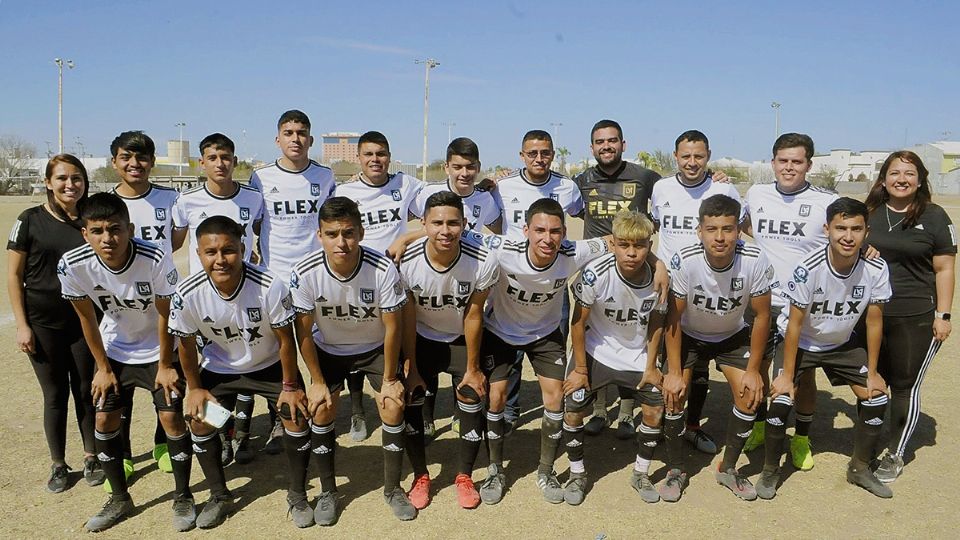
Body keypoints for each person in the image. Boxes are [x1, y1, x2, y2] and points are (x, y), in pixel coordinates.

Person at [57, 193, 192, 531]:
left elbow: (166, 315)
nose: (108, 239)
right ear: (84, 233)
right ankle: (120, 498)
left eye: (115, 229)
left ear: (130, 229)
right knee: (103, 420)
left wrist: (165, 363)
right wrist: (102, 368)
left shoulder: (155, 257)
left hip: (159, 348)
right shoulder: (72, 264)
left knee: (172, 418)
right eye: (98, 231)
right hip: (115, 349)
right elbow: (87, 319)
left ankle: (183, 495)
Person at [169, 216, 311, 528]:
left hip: (269, 365)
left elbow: (287, 342)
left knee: (296, 414)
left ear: (243, 249)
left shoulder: (269, 285)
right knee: (199, 417)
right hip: (220, 369)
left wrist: (290, 386)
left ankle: (298, 494)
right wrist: (194, 388)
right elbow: (185, 345)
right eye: (211, 252)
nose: (220, 260)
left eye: (229, 250)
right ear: (198, 253)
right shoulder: (187, 292)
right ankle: (220, 495)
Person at [478, 198, 621, 504]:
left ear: (564, 232)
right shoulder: (503, 248)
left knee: (556, 398)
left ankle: (545, 470)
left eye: (555, 231)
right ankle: (494, 469)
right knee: (496, 396)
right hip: (501, 333)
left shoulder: (574, 251)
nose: (547, 238)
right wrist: (406, 239)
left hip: (545, 334)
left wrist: (657, 266)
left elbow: (617, 241)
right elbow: (458, 234)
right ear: (526, 230)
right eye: (540, 230)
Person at [290, 196, 414, 522]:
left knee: (392, 404)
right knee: (320, 408)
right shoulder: (304, 272)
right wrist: (316, 382)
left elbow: (393, 327)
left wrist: (389, 379)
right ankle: (329, 491)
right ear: (319, 235)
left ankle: (392, 489)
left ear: (360, 232)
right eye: (332, 234)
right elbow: (302, 332)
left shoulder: (382, 268)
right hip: (329, 350)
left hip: (373, 347)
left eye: (348, 233)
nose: (341, 242)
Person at [762, 197, 893, 499]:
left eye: (856, 229)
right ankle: (770, 472)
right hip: (802, 341)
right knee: (781, 399)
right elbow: (793, 325)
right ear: (827, 229)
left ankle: (860, 468)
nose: (848, 236)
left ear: (866, 232)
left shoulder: (875, 267)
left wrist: (872, 372)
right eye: (841, 228)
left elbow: (874, 322)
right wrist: (786, 374)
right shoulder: (808, 267)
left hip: (841, 344)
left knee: (875, 398)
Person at [662, 195, 773, 502]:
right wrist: (673, 372)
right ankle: (676, 469)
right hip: (690, 334)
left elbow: (762, 315)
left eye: (727, 229)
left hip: (731, 336)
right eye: (712, 229)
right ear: (700, 231)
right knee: (673, 395)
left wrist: (753, 370)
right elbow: (674, 316)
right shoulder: (685, 258)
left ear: (739, 230)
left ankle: (729, 467)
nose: (720, 237)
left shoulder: (755, 257)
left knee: (750, 395)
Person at [742, 133, 838, 471]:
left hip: (803, 306)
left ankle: (801, 437)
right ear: (772, 163)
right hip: (761, 302)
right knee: (759, 367)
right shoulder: (756, 194)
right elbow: (741, 224)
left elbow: (847, 236)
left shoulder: (827, 201)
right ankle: (757, 425)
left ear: (809, 165)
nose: (789, 167)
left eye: (797, 162)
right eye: (783, 161)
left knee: (801, 375)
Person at [398, 191, 500, 509]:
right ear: (424, 224)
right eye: (437, 222)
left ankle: (465, 476)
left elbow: (473, 314)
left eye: (453, 223)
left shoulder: (483, 259)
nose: (445, 230)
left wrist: (472, 367)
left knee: (471, 395)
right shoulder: (407, 262)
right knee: (411, 398)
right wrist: (411, 366)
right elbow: (407, 317)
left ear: (465, 224)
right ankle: (420, 476)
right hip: (422, 339)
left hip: (460, 339)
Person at [7, 154, 101, 493]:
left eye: (76, 178)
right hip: (43, 323)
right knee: (55, 394)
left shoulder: (92, 220)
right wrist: (22, 325)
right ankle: (59, 464)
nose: (70, 185)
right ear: (48, 182)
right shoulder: (30, 220)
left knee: (86, 390)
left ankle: (93, 456)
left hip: (85, 322)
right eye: (62, 178)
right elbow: (15, 275)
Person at [172, 132, 264, 464]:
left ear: (234, 161)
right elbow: (175, 244)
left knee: (247, 362)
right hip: (204, 300)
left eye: (225, 157)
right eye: (212, 157)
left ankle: (243, 435)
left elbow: (257, 237)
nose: (220, 163)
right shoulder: (187, 200)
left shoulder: (254, 197)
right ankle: (223, 433)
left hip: (243, 292)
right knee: (214, 369)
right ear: (202, 162)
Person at [248, 110, 336, 457]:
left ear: (310, 139)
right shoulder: (260, 177)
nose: (295, 138)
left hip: (314, 278)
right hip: (274, 279)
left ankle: (323, 407)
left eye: (301, 132)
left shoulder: (325, 176)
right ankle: (278, 418)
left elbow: (331, 222)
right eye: (288, 132)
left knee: (315, 345)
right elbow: (254, 224)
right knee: (275, 351)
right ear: (278, 140)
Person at [864, 151, 956, 482]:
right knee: (874, 379)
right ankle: (870, 441)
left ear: (920, 179)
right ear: (883, 178)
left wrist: (942, 314)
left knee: (905, 385)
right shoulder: (870, 213)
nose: (902, 179)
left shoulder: (934, 216)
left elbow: (945, 268)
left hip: (915, 314)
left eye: (910, 173)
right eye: (895, 172)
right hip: (872, 313)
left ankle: (896, 452)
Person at [562, 210, 665, 505]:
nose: (632, 253)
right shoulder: (596, 272)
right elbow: (577, 323)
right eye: (624, 245)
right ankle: (577, 473)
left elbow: (657, 323)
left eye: (639, 246)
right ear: (614, 243)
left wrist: (651, 365)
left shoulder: (660, 279)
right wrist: (580, 369)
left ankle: (640, 473)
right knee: (572, 409)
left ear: (649, 245)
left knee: (655, 410)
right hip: (597, 351)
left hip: (637, 356)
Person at [650, 130, 744, 455]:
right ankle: (663, 421)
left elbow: (740, 230)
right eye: (686, 156)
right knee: (669, 358)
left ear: (709, 156)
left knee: (700, 361)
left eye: (699, 156)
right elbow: (656, 228)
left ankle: (691, 426)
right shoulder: (661, 188)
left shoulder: (722, 187)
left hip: (710, 286)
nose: (692, 162)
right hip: (668, 287)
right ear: (675, 156)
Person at [334, 131, 425, 442]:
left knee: (393, 345)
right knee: (355, 344)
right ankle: (358, 411)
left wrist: (405, 238)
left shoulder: (406, 185)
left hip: (393, 282)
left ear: (390, 157)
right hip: (356, 279)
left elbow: (439, 210)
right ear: (359, 158)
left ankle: (416, 408)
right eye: (369, 154)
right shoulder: (344, 191)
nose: (376, 160)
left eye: (381, 154)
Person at [574, 119, 662, 439]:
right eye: (600, 142)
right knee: (596, 334)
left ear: (623, 144)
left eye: (613, 141)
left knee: (630, 334)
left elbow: (678, 190)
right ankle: (599, 410)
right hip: (595, 273)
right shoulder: (581, 179)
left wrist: (713, 176)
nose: (606, 146)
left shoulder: (644, 177)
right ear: (592, 147)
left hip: (633, 269)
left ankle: (626, 413)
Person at [496, 130, 585, 432]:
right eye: (532, 153)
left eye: (545, 152)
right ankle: (509, 411)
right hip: (512, 279)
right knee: (510, 350)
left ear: (553, 154)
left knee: (550, 345)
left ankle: (555, 410)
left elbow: (585, 215)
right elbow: (492, 224)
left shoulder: (568, 187)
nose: (538, 158)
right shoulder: (502, 186)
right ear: (521, 155)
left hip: (552, 280)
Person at [413, 137, 502, 438]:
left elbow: (498, 231)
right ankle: (426, 415)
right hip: (434, 273)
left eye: (470, 167)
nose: (464, 173)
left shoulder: (485, 199)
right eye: (458, 167)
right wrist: (404, 241)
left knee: (464, 346)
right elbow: (422, 226)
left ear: (478, 168)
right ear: (447, 166)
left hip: (467, 276)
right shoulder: (428, 193)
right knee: (426, 353)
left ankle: (457, 410)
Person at [109, 130, 179, 482]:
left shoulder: (171, 198)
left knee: (164, 382)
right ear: (115, 162)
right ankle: (120, 453)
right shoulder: (106, 204)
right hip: (119, 312)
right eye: (126, 157)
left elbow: (177, 239)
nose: (135, 164)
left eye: (142, 157)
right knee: (118, 393)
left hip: (161, 308)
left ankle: (162, 442)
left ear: (152, 162)